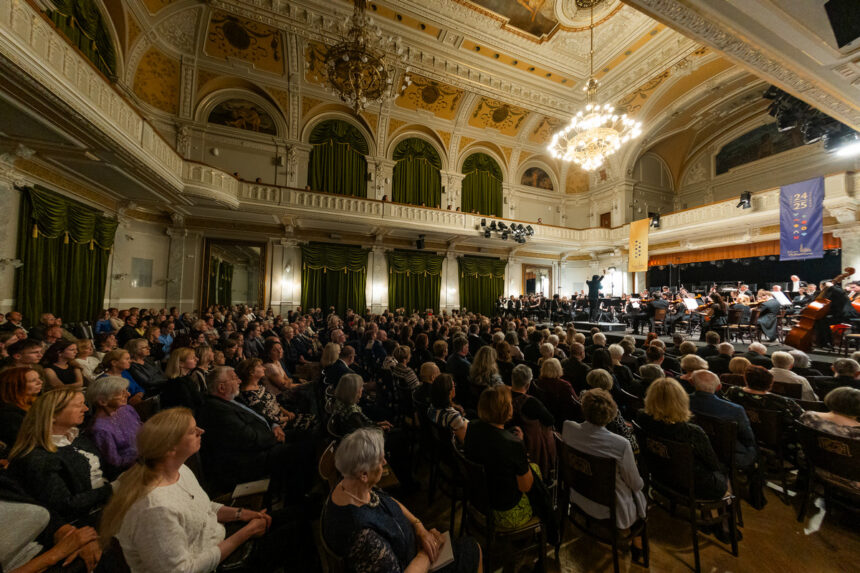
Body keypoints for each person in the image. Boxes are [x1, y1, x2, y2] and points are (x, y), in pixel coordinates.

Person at [101, 408, 315, 572]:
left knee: (303, 512)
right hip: (216, 562)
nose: (201, 431)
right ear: (170, 448)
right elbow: (183, 570)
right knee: (299, 533)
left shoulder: (180, 469)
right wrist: (246, 532)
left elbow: (203, 506)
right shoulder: (154, 508)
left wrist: (240, 514)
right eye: (193, 431)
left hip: (217, 537)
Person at [322, 427, 481, 573]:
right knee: (473, 549)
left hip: (410, 548)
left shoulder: (349, 482)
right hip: (414, 562)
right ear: (364, 474)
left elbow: (386, 500)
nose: (384, 462)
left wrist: (418, 526)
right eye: (380, 459)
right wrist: (427, 551)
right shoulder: (363, 536)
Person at [196, 367, 315, 497]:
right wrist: (275, 437)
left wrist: (275, 425)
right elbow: (249, 438)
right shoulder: (216, 410)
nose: (239, 381)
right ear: (221, 388)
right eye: (234, 378)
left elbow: (259, 414)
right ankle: (299, 497)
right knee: (304, 448)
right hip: (251, 459)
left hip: (266, 437)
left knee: (310, 434)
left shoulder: (232, 398)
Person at [8, 389, 114, 524]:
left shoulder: (76, 438)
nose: (86, 409)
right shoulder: (38, 457)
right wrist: (113, 488)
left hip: (105, 504)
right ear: (53, 415)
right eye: (78, 405)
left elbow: (102, 471)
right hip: (82, 521)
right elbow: (65, 506)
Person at [561, 389, 647, 537]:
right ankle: (633, 539)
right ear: (611, 414)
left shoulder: (568, 427)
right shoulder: (620, 444)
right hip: (611, 508)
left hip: (579, 495)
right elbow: (635, 484)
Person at [636, 378, 728, 500]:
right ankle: (728, 503)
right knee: (724, 470)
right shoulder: (692, 432)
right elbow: (713, 464)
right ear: (681, 400)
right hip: (692, 485)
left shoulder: (642, 418)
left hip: (660, 475)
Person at [463, 385, 539, 529]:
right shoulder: (512, 444)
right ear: (506, 409)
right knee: (535, 471)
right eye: (510, 403)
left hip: (478, 500)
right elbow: (526, 486)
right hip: (505, 512)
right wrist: (522, 452)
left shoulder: (472, 427)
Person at [688, 370, 758, 469]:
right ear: (719, 387)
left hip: (696, 448)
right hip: (728, 455)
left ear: (691, 382)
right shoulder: (735, 410)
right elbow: (748, 438)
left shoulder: (683, 401)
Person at [87, 376, 142, 478]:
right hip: (130, 471)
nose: (128, 394)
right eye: (121, 393)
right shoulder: (100, 429)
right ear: (102, 401)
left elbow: (142, 428)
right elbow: (115, 463)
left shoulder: (126, 409)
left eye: (126, 391)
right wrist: (144, 456)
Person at [509, 364, 556, 477]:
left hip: (510, 438)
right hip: (530, 444)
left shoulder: (502, 396)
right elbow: (550, 420)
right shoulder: (531, 402)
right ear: (528, 384)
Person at [724, 365, 803, 427]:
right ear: (770, 384)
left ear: (746, 380)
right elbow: (802, 419)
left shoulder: (733, 391)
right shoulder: (784, 402)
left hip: (740, 431)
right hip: (774, 438)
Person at [0, 366, 42, 452]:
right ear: (15, 386)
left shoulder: (35, 402)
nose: (40, 382)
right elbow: (24, 443)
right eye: (33, 380)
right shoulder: (8, 414)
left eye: (39, 378)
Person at [533, 358, 582, 429]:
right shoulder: (564, 385)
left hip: (545, 416)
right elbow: (575, 402)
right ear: (559, 369)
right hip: (563, 419)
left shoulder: (536, 383)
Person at [159, 347, 203, 412]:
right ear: (181, 363)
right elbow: (188, 406)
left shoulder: (186, 378)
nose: (197, 359)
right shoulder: (176, 384)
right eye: (192, 358)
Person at [427, 373, 468, 443]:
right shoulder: (453, 416)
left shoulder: (430, 408)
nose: (455, 388)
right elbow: (464, 441)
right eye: (453, 386)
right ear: (449, 392)